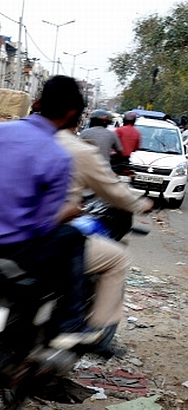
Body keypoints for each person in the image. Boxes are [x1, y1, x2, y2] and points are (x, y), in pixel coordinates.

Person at [0, 75, 98, 349]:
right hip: (18, 249)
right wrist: (69, 212)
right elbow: (43, 224)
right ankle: (71, 323)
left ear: (37, 103)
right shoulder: (57, 156)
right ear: (73, 114)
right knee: (74, 238)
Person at [55, 126, 153, 356]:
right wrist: (140, 204)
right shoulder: (81, 147)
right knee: (109, 255)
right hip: (41, 235)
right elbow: (112, 188)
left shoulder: (20, 139)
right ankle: (91, 331)